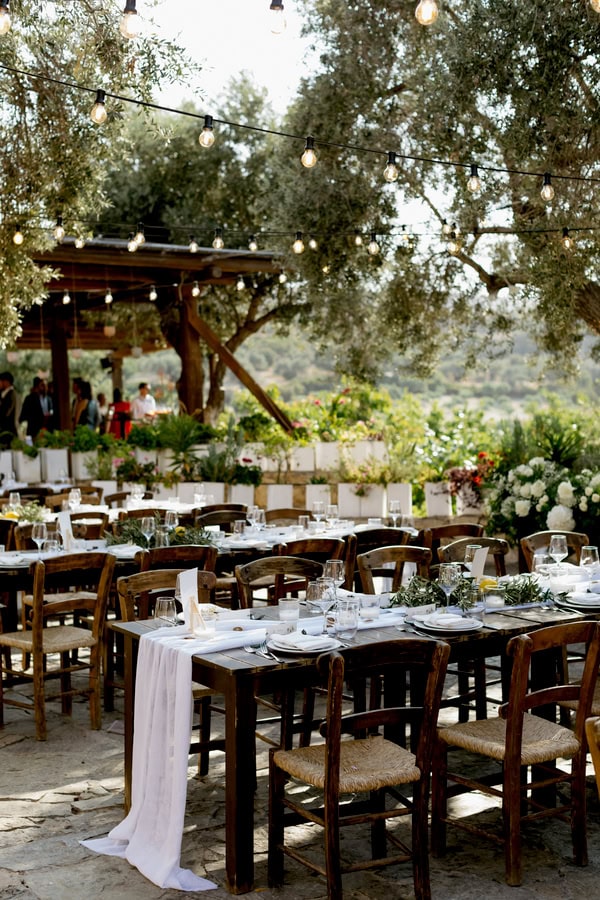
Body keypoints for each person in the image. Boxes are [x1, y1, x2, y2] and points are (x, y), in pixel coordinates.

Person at [19, 377, 51, 441]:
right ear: (37, 386)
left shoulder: (46, 398)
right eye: (42, 385)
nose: (45, 387)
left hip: (42, 430)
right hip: (33, 430)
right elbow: (23, 415)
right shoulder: (30, 398)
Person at [0, 371, 19, 448]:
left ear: (6, 382)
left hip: (8, 432)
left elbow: (6, 414)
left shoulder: (11, 395)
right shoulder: (4, 394)